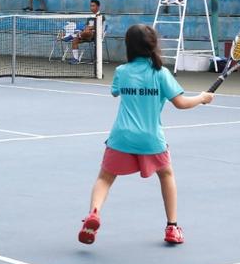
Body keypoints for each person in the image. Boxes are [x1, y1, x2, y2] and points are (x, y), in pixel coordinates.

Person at [78, 24, 214, 246]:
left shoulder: (122, 72)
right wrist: (201, 98)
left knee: (105, 178)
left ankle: (94, 213)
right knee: (166, 175)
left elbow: (115, 92)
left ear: (128, 46)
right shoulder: (161, 74)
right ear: (153, 44)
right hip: (151, 138)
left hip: (121, 137)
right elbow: (180, 103)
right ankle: (172, 227)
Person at [62, 0, 102, 64]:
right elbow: (86, 26)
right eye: (91, 6)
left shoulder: (101, 16)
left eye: (93, 6)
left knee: (87, 31)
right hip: (86, 35)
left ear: (98, 7)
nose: (91, 7)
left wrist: (89, 28)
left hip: (96, 35)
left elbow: (99, 27)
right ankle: (75, 59)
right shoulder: (90, 17)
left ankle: (72, 35)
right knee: (75, 40)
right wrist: (86, 28)